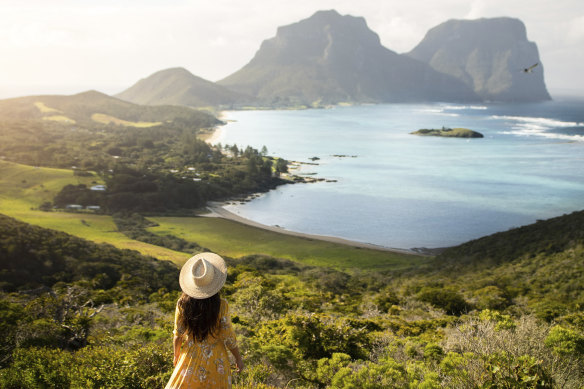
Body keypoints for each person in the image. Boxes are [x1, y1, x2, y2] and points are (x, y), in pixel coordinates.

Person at [165, 252, 244, 388]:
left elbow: (178, 334)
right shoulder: (222, 305)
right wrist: (238, 358)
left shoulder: (182, 304)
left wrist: (176, 355)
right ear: (214, 282)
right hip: (216, 360)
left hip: (190, 357)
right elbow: (228, 337)